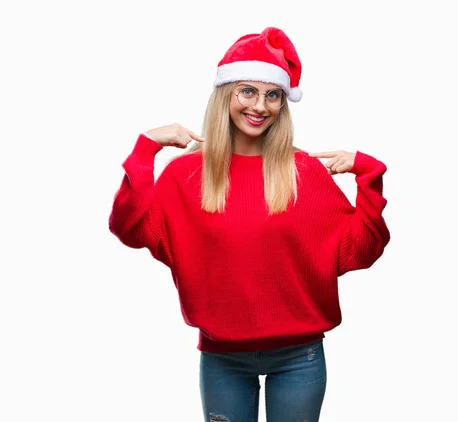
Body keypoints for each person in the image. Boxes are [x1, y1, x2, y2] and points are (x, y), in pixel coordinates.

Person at [109, 26, 391, 422]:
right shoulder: (188, 175)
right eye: (247, 91)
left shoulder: (304, 172)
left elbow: (358, 251)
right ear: (225, 95)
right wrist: (145, 149)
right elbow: (129, 227)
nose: (260, 106)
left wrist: (369, 176)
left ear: (282, 103)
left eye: (272, 94)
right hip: (222, 356)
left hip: (300, 356)